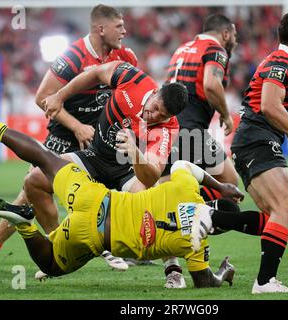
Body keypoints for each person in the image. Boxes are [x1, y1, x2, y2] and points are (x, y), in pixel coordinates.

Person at [0, 97, 241, 288]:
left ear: (210, 201)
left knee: (43, 157)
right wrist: (223, 272)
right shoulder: (196, 244)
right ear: (216, 229)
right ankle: (27, 226)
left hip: (94, 197)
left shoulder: (185, 186)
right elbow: (205, 282)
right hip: (94, 236)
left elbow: (184, 166)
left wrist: (221, 186)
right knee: (50, 264)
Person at [0, 4, 137, 275]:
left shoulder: (125, 55)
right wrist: (76, 126)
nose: (124, 31)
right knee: (32, 188)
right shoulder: (73, 56)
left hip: (99, 140)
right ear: (101, 29)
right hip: (66, 136)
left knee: (104, 192)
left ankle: (106, 247)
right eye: (119, 26)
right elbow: (43, 97)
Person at [25, 59, 195, 288]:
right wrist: (60, 96)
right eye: (154, 108)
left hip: (126, 171)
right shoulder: (133, 79)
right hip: (94, 158)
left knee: (154, 201)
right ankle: (59, 248)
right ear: (155, 93)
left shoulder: (167, 128)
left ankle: (173, 270)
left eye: (161, 115)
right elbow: (95, 73)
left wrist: (135, 153)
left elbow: (151, 175)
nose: (152, 116)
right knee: (34, 181)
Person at [230, 9, 288, 294]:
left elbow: (287, 110)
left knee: (274, 216)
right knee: (285, 209)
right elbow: (270, 106)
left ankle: (207, 217)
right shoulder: (280, 62)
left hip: (256, 139)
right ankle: (264, 282)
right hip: (255, 138)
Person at [161, 14, 239, 201]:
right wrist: (226, 114)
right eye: (235, 36)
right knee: (230, 181)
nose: (235, 42)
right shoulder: (215, 49)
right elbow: (211, 85)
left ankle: (165, 210)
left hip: (167, 126)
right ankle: (194, 217)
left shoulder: (182, 49)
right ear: (226, 33)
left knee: (169, 180)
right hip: (189, 127)